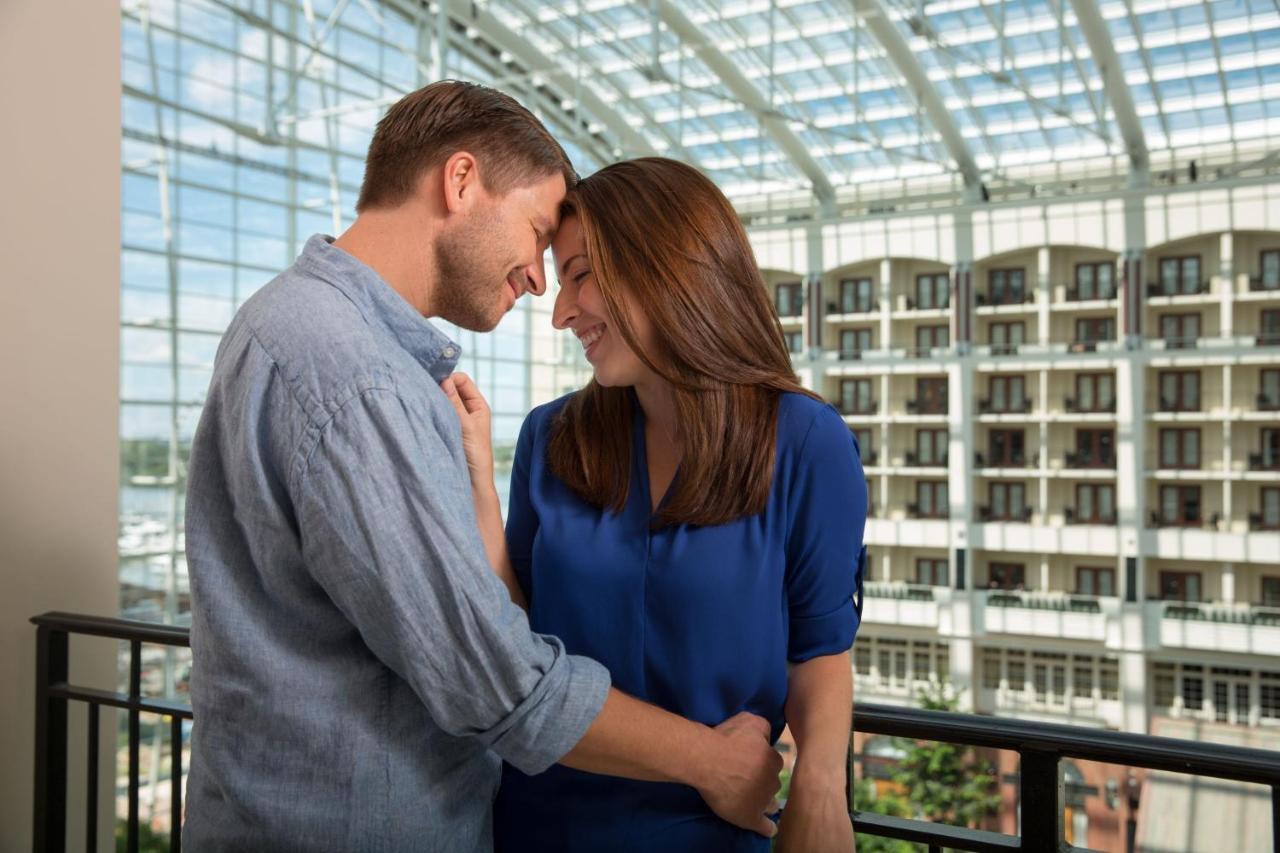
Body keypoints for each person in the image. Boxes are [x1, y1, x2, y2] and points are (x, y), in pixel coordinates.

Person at [183, 82, 782, 852]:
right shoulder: (361, 377)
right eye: (537, 233)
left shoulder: (280, 322)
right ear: (460, 181)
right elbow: (492, 678)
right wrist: (712, 759)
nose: (539, 279)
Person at [443, 157, 868, 852]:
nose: (559, 311)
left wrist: (820, 787)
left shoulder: (808, 444)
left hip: (711, 834)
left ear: (668, 266)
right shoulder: (550, 436)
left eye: (580, 275)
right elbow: (515, 637)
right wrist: (482, 495)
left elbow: (819, 650)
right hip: (537, 827)